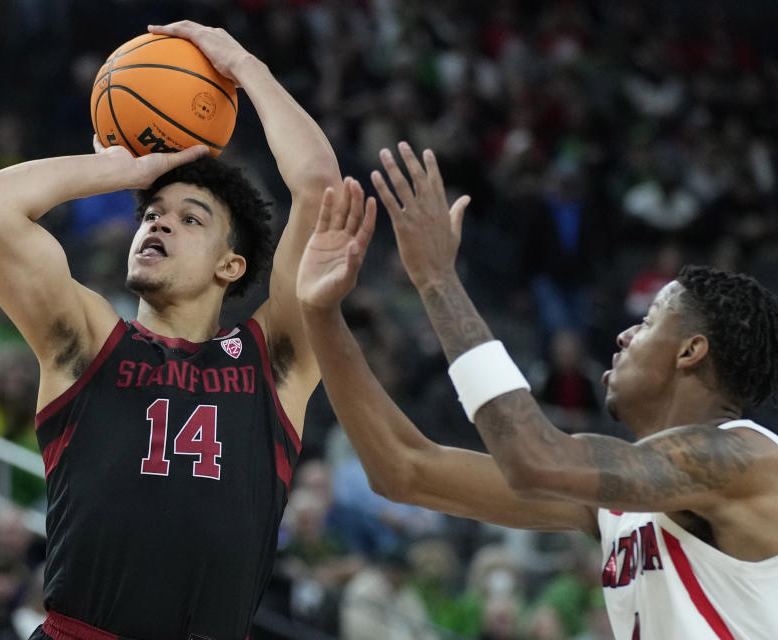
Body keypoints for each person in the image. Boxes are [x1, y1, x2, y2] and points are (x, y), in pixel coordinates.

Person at [295, 142, 778, 639]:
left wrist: (438, 279)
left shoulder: (744, 457)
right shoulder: (620, 499)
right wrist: (321, 315)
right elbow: (404, 469)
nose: (624, 335)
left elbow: (534, 458)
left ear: (690, 351)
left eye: (649, 322)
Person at [0, 20, 338, 640]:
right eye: (152, 214)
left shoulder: (274, 363)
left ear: (230, 264)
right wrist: (123, 170)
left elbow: (320, 190)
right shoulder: (88, 343)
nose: (158, 225)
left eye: (190, 219)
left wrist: (243, 65)